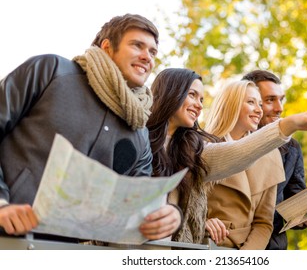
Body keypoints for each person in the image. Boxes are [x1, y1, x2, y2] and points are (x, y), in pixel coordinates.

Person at [0, 13, 181, 243]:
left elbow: (136, 207)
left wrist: (170, 216)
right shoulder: (50, 71)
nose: (147, 57)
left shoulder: (140, 132)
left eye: (153, 52)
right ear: (107, 47)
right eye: (138, 45)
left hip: (67, 253)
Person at [146, 67, 307, 244]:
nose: (198, 105)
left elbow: (239, 154)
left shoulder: (191, 149)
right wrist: (201, 221)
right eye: (192, 95)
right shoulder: (141, 140)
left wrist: (289, 125)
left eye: (202, 100)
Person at [204, 80, 285, 249]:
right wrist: (202, 221)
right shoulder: (201, 146)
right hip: (204, 245)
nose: (259, 110)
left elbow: (263, 223)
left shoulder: (271, 154)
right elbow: (183, 204)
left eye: (260, 104)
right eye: (251, 102)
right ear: (231, 105)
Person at [243, 69, 307, 250]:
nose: (279, 108)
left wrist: (302, 215)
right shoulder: (224, 142)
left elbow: (293, 193)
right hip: (228, 245)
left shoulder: (291, 148)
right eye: (270, 100)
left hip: (272, 247)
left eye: (281, 99)